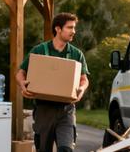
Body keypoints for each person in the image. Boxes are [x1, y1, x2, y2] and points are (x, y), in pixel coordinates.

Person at [15, 13, 90, 152]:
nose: (73, 31)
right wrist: (23, 85)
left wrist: (81, 89)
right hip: (44, 110)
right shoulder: (39, 50)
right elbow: (20, 73)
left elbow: (84, 79)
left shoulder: (77, 54)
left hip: (66, 110)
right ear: (58, 29)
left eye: (74, 28)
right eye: (70, 27)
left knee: (66, 149)